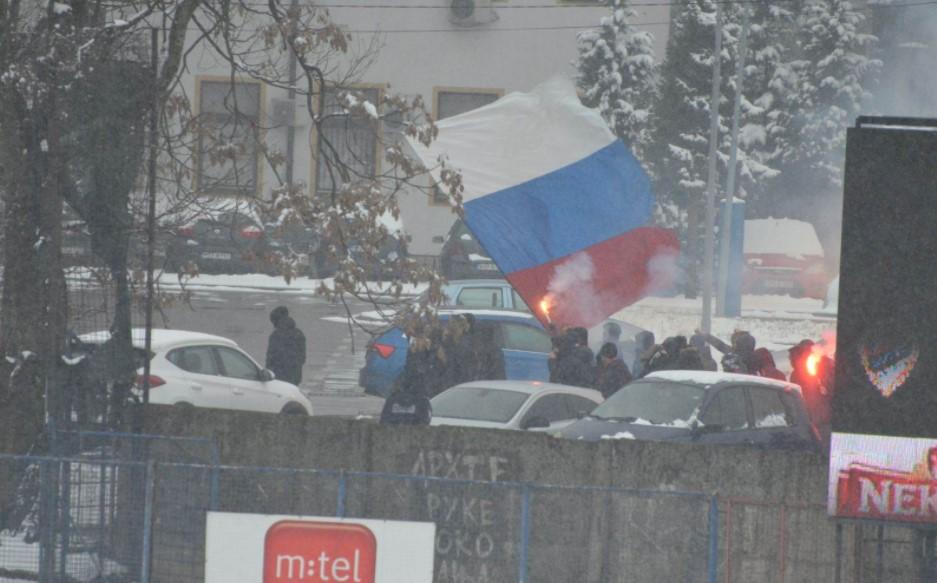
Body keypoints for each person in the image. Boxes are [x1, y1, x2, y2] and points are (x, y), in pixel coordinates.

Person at [265, 306, 307, 386]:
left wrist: (269, 373)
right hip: (295, 375)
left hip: (278, 377)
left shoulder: (275, 335)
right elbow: (303, 357)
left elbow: (270, 358)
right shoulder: (298, 333)